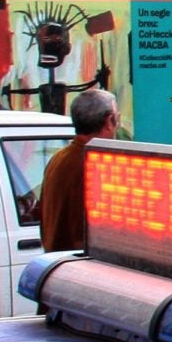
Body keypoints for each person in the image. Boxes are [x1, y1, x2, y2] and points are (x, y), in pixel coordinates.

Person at [38, 87, 116, 251]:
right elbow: (83, 237)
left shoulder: (59, 157)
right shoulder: (90, 165)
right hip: (78, 265)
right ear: (109, 121)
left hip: (57, 261)